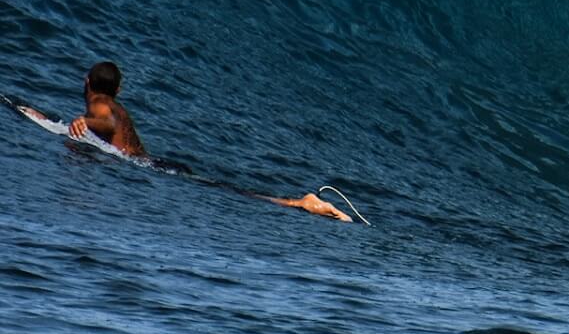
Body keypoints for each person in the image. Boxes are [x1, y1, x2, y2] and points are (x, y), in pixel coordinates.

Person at [31, 61, 358, 224]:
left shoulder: (99, 104)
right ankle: (298, 202)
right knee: (226, 189)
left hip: (149, 168)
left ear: (87, 81)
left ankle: (301, 203)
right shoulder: (116, 104)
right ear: (119, 90)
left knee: (232, 193)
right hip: (155, 163)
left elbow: (105, 123)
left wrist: (86, 121)